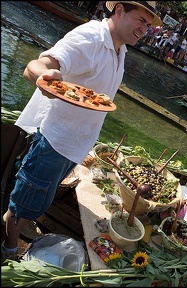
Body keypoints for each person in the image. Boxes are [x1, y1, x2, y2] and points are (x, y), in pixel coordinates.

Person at [1, 1, 162, 262]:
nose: (144, 29)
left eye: (148, 25)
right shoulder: (91, 37)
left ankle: (20, 225)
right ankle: (8, 246)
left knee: (39, 198)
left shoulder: (120, 49)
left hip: (76, 144)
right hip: (54, 140)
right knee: (25, 202)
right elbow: (39, 64)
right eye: (140, 20)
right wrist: (43, 75)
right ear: (119, 11)